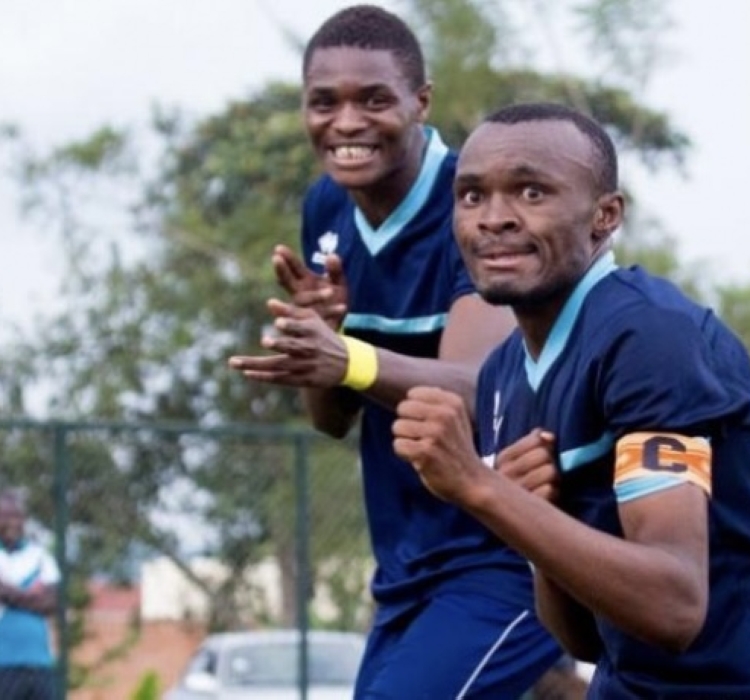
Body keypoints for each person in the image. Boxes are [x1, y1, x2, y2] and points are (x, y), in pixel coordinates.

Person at [392, 102, 750, 699]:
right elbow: (584, 640)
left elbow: (673, 606)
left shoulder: (649, 337)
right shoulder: (504, 378)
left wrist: (478, 487)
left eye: (531, 192)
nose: (494, 218)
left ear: (605, 216)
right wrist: (527, 517)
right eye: (472, 196)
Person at [227, 6, 560, 698]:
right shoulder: (326, 207)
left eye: (373, 99)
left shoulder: (474, 202)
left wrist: (347, 357)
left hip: (508, 552)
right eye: (324, 102)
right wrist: (323, 344)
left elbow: (480, 390)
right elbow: (331, 419)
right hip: (407, 562)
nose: (346, 122)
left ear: (421, 101)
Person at [0, 490, 60, 700]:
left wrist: (10, 592)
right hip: (3, 664)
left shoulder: (40, 556)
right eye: (6, 516)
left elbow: (51, 603)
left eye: (17, 516)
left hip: (40, 663)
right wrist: (31, 595)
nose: (13, 522)